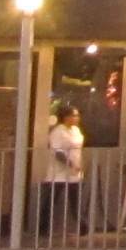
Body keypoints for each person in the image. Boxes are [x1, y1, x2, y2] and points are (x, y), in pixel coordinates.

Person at [39, 103, 85, 241]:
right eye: (74, 115)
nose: (77, 118)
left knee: (76, 201)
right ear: (66, 117)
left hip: (73, 174)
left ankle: (83, 227)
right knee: (51, 200)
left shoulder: (76, 130)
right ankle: (43, 228)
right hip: (58, 173)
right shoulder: (58, 132)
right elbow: (57, 151)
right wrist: (70, 163)